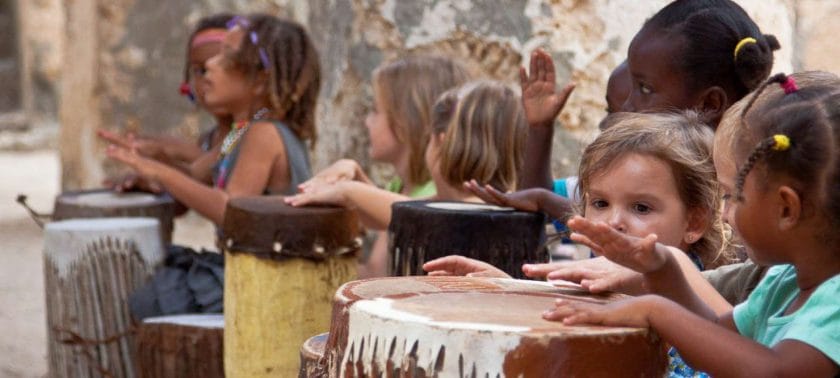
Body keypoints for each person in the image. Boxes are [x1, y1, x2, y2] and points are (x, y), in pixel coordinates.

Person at [546, 72, 840, 377]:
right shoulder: (783, 282)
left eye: (731, 196)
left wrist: (655, 311)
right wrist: (662, 268)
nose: (724, 214)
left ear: (785, 209)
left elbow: (772, 372)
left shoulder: (835, 301)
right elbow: (716, 334)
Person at [426, 112, 730, 296]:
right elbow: (561, 302)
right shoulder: (601, 280)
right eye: (600, 203)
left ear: (694, 223)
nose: (613, 222)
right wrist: (504, 287)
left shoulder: (698, 288)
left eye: (641, 208)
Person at [519, 0, 780, 193]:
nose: (629, 106)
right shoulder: (623, 171)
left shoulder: (737, 200)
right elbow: (535, 202)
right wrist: (540, 128)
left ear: (709, 104)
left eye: (645, 89)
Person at [106, 14, 321, 225]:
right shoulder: (241, 132)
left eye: (226, 57)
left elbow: (231, 211)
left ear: (260, 81)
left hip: (272, 261)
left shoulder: (264, 134)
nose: (210, 64)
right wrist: (154, 157)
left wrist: (159, 173)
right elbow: (195, 176)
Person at [297, 55, 472, 277]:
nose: (367, 121)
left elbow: (377, 270)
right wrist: (355, 176)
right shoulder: (401, 186)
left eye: (375, 110)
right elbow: (384, 220)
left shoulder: (436, 194)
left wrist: (350, 192)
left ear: (406, 121)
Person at [286, 80, 526, 231]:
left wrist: (351, 190)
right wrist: (355, 178)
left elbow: (417, 215)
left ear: (440, 142)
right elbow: (392, 215)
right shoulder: (449, 203)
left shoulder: (478, 210)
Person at [99, 13, 234, 191]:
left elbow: (224, 205)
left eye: (224, 66)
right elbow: (193, 184)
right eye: (200, 70)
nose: (209, 77)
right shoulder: (214, 139)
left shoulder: (251, 128)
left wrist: (177, 153)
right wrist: (152, 176)